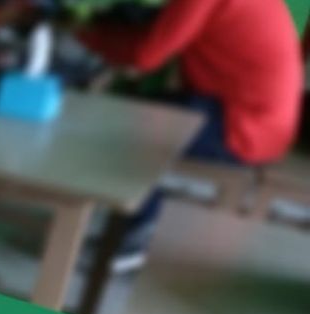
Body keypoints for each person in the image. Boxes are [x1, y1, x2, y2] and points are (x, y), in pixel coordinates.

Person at [77, 0, 304, 268]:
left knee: (138, 125)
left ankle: (133, 236)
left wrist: (81, 32)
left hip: (243, 127)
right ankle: (132, 227)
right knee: (148, 111)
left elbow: (145, 55)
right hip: (258, 122)